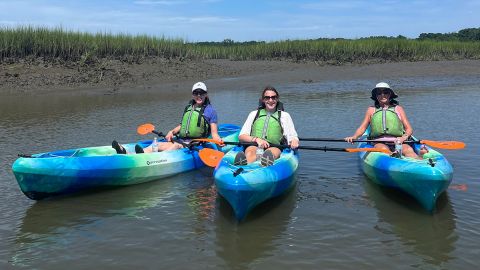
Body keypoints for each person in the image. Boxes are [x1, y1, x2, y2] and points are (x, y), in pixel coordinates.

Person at [112, 82, 222, 154]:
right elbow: (182, 126)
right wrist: (171, 132)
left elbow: (214, 133)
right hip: (181, 140)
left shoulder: (211, 111)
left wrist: (218, 140)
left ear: (206, 94)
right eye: (196, 93)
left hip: (195, 144)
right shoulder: (189, 108)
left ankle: (154, 160)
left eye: (201, 93)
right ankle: (129, 154)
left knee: (175, 147)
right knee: (157, 144)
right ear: (193, 94)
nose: (199, 95)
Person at [344, 82, 425, 159]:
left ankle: (420, 159)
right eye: (379, 93)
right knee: (383, 149)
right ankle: (394, 158)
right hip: (379, 142)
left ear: (390, 94)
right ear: (376, 96)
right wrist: (354, 137)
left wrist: (404, 138)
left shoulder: (398, 109)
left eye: (385, 92)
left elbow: (409, 129)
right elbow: (362, 127)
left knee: (408, 150)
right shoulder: (371, 110)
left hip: (398, 141)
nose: (382, 95)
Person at [235, 86, 299, 166]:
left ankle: (264, 164)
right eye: (267, 98)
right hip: (255, 145)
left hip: (275, 146)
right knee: (250, 153)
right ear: (263, 100)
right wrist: (257, 140)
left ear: (277, 99)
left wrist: (294, 141)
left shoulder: (284, 116)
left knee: (270, 154)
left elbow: (293, 136)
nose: (271, 100)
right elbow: (241, 136)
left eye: (273, 97)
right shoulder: (254, 114)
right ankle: (244, 167)